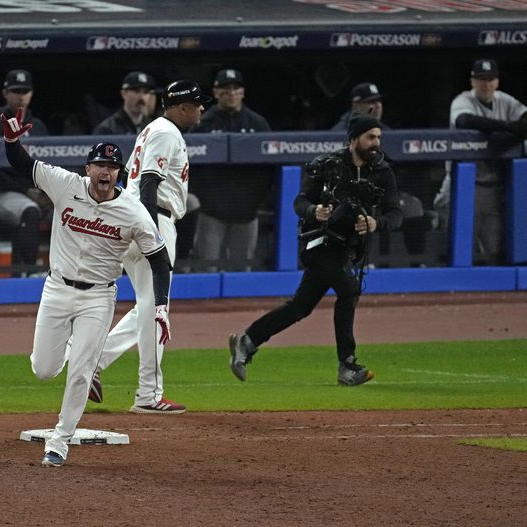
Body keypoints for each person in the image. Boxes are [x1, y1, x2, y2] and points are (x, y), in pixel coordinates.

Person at [0, 109, 172, 467]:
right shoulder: (65, 184)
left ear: (119, 173)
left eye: (112, 167)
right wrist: (11, 141)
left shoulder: (133, 212)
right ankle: (75, 355)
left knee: (80, 371)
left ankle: (60, 442)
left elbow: (159, 258)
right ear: (88, 168)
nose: (105, 172)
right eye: (99, 165)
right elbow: (23, 164)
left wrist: (160, 305)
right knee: (44, 369)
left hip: (98, 296)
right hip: (56, 290)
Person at [228, 113, 402, 386]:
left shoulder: (382, 170)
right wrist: (314, 211)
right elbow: (300, 201)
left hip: (346, 249)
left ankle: (247, 341)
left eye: (379, 137)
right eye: (370, 137)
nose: (376, 143)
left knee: (300, 307)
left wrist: (375, 222)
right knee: (349, 289)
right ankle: (347, 366)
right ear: (354, 138)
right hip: (319, 244)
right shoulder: (328, 165)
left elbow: (396, 213)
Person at [87, 80, 212, 414]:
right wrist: (150, 231)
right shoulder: (165, 132)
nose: (201, 110)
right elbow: (149, 181)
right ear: (182, 106)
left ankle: (93, 363)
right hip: (152, 219)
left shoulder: (154, 130)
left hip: (141, 217)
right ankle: (148, 395)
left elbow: (129, 174)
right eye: (197, 104)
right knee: (158, 308)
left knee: (148, 306)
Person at [435, 59, 527, 265]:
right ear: (472, 81)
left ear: (497, 81)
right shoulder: (463, 100)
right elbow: (465, 121)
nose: (486, 84)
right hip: (461, 186)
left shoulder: (505, 100)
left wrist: (511, 130)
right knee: (451, 243)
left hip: (493, 188)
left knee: (493, 249)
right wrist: (509, 128)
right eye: (481, 79)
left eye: (490, 79)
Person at [190, 69, 272, 271]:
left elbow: (269, 168)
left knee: (242, 271)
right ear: (216, 92)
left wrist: (256, 200)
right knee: (206, 270)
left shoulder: (257, 123)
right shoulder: (202, 123)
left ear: (243, 92)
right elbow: (189, 165)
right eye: (226, 89)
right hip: (211, 213)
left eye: (236, 88)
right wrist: (202, 198)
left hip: (246, 212)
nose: (232, 93)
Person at [0, 69, 50, 274]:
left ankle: (66, 271)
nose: (21, 96)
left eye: (25, 91)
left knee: (71, 212)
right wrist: (27, 191)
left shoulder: (39, 126)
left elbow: (49, 164)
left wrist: (48, 191)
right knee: (30, 210)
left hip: (35, 192)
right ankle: (28, 271)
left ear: (31, 93)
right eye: (16, 91)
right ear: (5, 93)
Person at [92, 71, 157, 135]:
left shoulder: (154, 127)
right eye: (136, 91)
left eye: (146, 92)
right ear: (123, 94)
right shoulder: (107, 129)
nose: (142, 97)